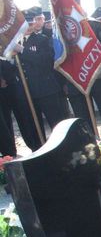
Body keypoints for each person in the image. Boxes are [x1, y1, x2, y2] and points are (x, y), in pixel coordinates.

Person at [13, 7, 68, 140]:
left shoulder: (42, 39)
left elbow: (45, 61)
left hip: (45, 89)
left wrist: (23, 51)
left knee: (57, 124)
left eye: (31, 23)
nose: (29, 27)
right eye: (26, 24)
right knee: (33, 128)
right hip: (26, 92)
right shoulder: (13, 43)